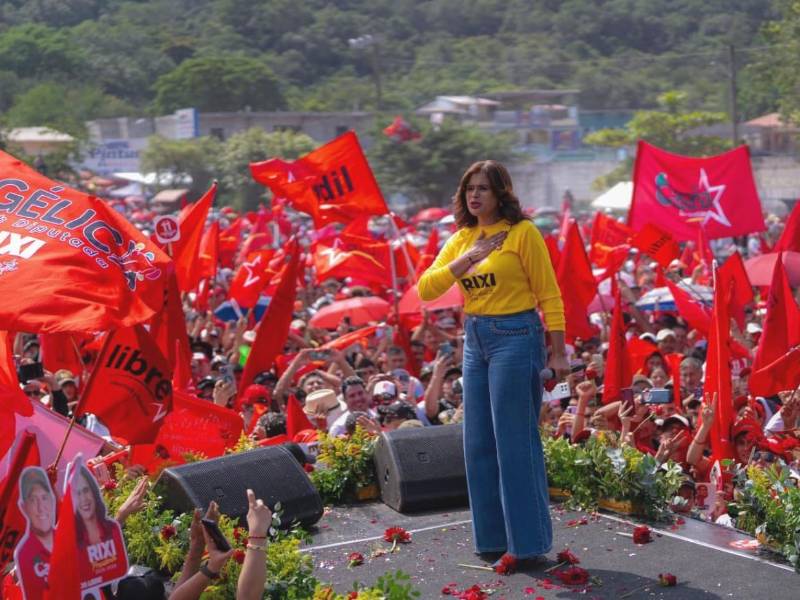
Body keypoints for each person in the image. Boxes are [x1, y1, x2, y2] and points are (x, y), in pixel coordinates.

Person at [418, 160, 569, 565]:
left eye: (483, 188)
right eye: (470, 188)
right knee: (478, 442)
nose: (475, 195)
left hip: (517, 338)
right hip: (476, 338)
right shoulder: (462, 238)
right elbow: (426, 289)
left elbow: (550, 296)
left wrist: (558, 352)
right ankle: (491, 540)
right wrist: (468, 258)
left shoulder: (523, 233)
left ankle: (528, 543)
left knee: (514, 442)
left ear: (501, 192)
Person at [73, 465, 127, 586]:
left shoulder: (108, 526)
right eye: (77, 494)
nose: (83, 499)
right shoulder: (71, 540)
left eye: (86, 490)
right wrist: (122, 514)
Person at [15, 468, 56, 598]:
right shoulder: (24, 554)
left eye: (44, 498)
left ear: (52, 500)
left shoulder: (69, 539)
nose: (40, 507)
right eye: (33, 500)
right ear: (23, 507)